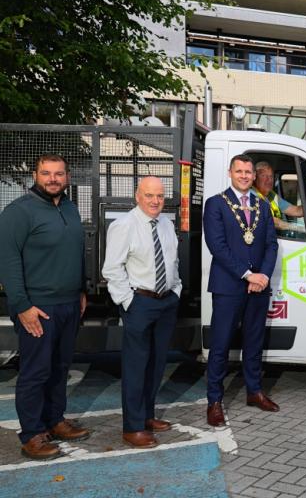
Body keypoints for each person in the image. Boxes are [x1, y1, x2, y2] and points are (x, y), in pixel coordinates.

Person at [0, 154, 89, 460]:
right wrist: (22, 305)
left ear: (67, 177)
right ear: (36, 175)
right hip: (38, 308)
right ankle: (32, 435)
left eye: (59, 173)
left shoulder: (69, 207)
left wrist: (81, 289)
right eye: (46, 173)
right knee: (35, 373)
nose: (53, 178)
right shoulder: (18, 212)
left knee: (60, 368)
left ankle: (55, 420)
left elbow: (77, 251)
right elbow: (8, 262)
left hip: (68, 304)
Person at [102, 177, 182, 449]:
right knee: (136, 366)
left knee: (157, 363)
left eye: (159, 196)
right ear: (137, 196)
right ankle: (132, 427)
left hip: (166, 302)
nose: (155, 201)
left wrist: (176, 290)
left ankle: (147, 415)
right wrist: (128, 302)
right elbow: (112, 269)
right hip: (140, 303)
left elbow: (173, 260)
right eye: (149, 195)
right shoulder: (123, 226)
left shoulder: (167, 224)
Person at [204, 154, 279, 427]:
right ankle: (214, 400)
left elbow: (271, 245)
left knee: (254, 342)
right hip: (228, 286)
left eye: (249, 172)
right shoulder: (216, 204)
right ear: (230, 172)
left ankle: (254, 392)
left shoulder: (262, 205)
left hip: (258, 286)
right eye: (240, 171)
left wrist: (264, 276)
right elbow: (218, 246)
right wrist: (249, 275)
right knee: (221, 344)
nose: (245, 176)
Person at [253, 161, 306, 233]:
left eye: (271, 176)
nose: (269, 180)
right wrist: (300, 228)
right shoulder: (251, 195)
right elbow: (273, 222)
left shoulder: (271, 195)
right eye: (264, 176)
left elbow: (296, 211)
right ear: (255, 177)